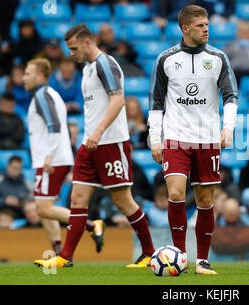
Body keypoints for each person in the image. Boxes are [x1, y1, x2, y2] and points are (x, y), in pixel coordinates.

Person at [34, 24, 155, 269]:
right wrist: (91, 135)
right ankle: (65, 257)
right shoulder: (88, 69)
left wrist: (98, 132)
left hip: (110, 143)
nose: (70, 53)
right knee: (77, 198)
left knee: (123, 202)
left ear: (88, 43)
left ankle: (150, 253)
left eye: (73, 47)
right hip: (89, 144)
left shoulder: (104, 63)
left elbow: (118, 98)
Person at [148, 5, 239, 275]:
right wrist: (155, 139)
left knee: (205, 199)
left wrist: (229, 127)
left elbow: (230, 96)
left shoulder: (219, 57)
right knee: (175, 193)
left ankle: (202, 260)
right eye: (200, 25)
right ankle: (179, 256)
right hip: (176, 137)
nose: (207, 28)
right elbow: (155, 101)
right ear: (185, 29)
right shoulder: (166, 59)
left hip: (208, 138)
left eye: (207, 24)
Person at [23, 58, 105, 256]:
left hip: (50, 160)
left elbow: (55, 126)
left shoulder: (43, 95)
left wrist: (49, 156)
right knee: (43, 206)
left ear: (40, 76)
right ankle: (59, 250)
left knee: (42, 208)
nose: (24, 78)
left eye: (28, 73)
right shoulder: (49, 94)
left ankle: (92, 226)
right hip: (52, 158)